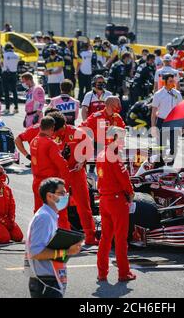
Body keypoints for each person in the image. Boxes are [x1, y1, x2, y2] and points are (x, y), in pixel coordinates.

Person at [25, 177, 83, 298]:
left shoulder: (49, 216)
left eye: (66, 192)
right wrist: (67, 251)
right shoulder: (44, 218)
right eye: (62, 193)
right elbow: (35, 252)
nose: (65, 196)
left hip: (47, 280)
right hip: (45, 282)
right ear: (50, 196)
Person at [50, 112, 98, 245]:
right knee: (60, 207)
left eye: (58, 131)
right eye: (54, 131)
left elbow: (89, 148)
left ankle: (90, 236)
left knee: (83, 205)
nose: (56, 134)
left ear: (64, 125)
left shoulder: (78, 133)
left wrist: (82, 161)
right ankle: (63, 236)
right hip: (60, 175)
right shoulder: (49, 134)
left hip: (76, 173)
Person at [96, 127, 137, 282]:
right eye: (121, 138)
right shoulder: (113, 154)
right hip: (116, 200)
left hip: (104, 199)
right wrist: (131, 193)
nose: (123, 141)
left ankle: (102, 273)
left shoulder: (101, 153)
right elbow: (124, 177)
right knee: (120, 238)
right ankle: (123, 273)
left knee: (105, 238)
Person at [30, 117, 70, 223]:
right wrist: (66, 185)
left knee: (39, 212)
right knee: (60, 215)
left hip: (37, 182)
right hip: (50, 185)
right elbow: (62, 165)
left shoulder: (34, 141)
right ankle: (62, 239)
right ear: (52, 128)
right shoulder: (50, 143)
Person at [151, 74, 183, 162]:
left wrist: (183, 125)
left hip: (174, 122)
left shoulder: (177, 94)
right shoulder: (158, 94)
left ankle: (171, 166)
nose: (172, 83)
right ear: (164, 82)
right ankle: (160, 165)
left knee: (174, 146)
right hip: (162, 121)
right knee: (161, 145)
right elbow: (153, 112)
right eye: (170, 81)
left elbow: (181, 110)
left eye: (173, 81)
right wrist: (153, 127)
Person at [0, 165, 23, 243]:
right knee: (4, 238)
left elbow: (12, 205)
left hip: (5, 219)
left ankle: (4, 230)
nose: (4, 174)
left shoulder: (6, 188)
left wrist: (11, 219)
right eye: (1, 173)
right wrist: (3, 221)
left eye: (3, 172)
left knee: (18, 237)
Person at [1, 43, 20, 114]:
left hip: (6, 73)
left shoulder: (4, 55)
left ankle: (7, 108)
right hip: (14, 73)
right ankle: (16, 107)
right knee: (14, 91)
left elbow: (2, 64)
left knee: (6, 92)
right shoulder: (17, 55)